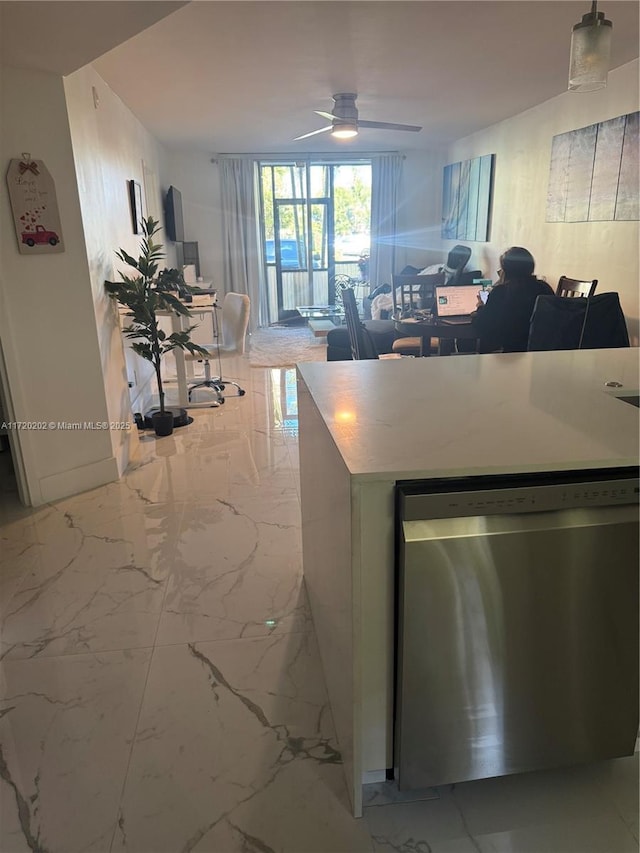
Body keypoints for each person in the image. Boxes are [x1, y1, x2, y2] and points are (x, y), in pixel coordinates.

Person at [472, 247, 554, 353]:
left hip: (510, 354)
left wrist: (480, 308)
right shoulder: (544, 288)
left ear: (506, 270)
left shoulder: (502, 291)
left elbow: (483, 326)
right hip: (542, 353)